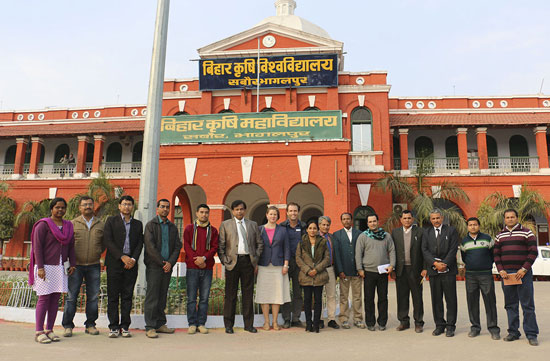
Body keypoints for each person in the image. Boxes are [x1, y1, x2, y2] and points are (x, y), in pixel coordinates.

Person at [29, 197, 76, 344]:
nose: (60, 210)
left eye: (63, 207)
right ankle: (39, 331)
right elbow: (37, 247)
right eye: (57, 207)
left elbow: (71, 246)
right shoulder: (43, 225)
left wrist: (72, 264)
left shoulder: (68, 226)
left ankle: (49, 330)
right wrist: (41, 267)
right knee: (44, 298)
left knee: (55, 299)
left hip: (60, 267)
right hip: (46, 266)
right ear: (52, 209)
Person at [494, 209, 539, 346]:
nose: (510, 219)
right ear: (504, 219)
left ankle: (531, 334)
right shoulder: (499, 236)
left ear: (517, 218)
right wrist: (501, 270)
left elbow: (533, 252)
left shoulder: (527, 232)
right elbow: (496, 255)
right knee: (510, 305)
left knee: (527, 305)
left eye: (512, 217)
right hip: (507, 275)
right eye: (507, 217)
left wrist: (524, 268)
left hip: (523, 274)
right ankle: (513, 332)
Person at [218, 200, 263, 334]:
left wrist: (255, 259)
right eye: (237, 209)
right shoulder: (225, 225)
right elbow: (221, 246)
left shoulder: (253, 224)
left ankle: (248, 325)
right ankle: (228, 325)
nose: (239, 212)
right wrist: (225, 261)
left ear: (245, 210)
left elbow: (259, 244)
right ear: (232, 211)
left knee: (248, 295)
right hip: (232, 263)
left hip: (247, 262)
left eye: (242, 209)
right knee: (230, 295)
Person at [62, 196, 104, 337]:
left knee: (93, 297)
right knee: (71, 297)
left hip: (94, 265)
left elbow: (103, 244)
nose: (88, 207)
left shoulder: (100, 224)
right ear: (80, 208)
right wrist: (68, 264)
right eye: (84, 204)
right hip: (76, 266)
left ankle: (90, 325)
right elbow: (66, 245)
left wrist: (97, 252)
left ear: (93, 206)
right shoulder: (72, 224)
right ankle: (68, 325)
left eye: (90, 204)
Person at [103, 195, 143, 338]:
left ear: (133, 207)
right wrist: (122, 257)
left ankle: (125, 326)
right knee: (113, 296)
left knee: (127, 296)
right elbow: (108, 241)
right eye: (124, 204)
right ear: (119, 206)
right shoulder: (111, 221)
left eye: (129, 204)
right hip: (115, 263)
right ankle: (113, 327)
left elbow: (139, 243)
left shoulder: (138, 224)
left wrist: (132, 259)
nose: (127, 207)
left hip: (130, 265)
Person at [143, 199, 182, 338]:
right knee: (152, 296)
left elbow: (178, 246)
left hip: (167, 267)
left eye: (167, 207)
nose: (165, 209)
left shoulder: (172, 227)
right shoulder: (151, 225)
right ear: (157, 208)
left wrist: (170, 263)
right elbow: (150, 247)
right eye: (162, 207)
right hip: (155, 266)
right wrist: (162, 262)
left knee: (162, 296)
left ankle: (160, 324)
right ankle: (150, 326)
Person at [460, 217, 500, 340]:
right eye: (470, 225)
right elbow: (464, 257)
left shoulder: (487, 238)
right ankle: (475, 327)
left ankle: (493, 329)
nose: (473, 227)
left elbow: (493, 255)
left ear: (479, 226)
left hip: (486, 274)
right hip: (471, 275)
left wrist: (485, 264)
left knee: (490, 301)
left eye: (475, 224)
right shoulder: (464, 241)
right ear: (467, 227)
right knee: (472, 302)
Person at [422, 209, 459, 337]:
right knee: (436, 299)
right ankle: (439, 325)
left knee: (450, 299)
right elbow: (424, 250)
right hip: (434, 271)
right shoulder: (426, 232)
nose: (436, 221)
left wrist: (445, 264)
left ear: (442, 218)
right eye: (433, 218)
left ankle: (450, 326)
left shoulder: (451, 230)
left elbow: (453, 249)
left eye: (438, 218)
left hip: (448, 270)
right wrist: (435, 264)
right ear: (430, 220)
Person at [356, 213, 395, 331]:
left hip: (383, 271)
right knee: (369, 298)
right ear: (367, 224)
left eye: (374, 221)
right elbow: (358, 253)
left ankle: (382, 322)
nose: (372, 223)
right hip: (368, 272)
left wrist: (392, 265)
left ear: (378, 222)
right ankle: (370, 322)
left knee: (383, 298)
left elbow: (392, 250)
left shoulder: (386, 236)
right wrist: (360, 269)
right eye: (370, 222)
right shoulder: (363, 236)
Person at [183, 204, 219, 335]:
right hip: (192, 268)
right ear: (197, 213)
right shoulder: (189, 229)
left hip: (207, 267)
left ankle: (201, 323)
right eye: (201, 212)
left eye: (206, 213)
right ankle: (192, 323)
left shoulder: (213, 231)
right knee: (191, 298)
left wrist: (204, 258)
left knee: (204, 298)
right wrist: (196, 260)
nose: (204, 215)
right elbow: (186, 246)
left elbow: (214, 247)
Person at [256, 206, 291, 331]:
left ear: (278, 217)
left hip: (278, 266)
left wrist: (286, 264)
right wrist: (255, 264)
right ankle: (266, 322)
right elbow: (256, 248)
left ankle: (275, 322)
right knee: (264, 294)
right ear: (266, 215)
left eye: (275, 214)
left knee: (277, 294)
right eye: (271, 214)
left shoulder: (282, 230)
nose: (273, 216)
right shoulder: (259, 229)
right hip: (263, 265)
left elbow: (287, 248)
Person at [391, 210, 426, 333]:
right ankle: (403, 321)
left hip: (415, 270)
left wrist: (425, 268)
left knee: (417, 297)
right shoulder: (395, 233)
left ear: (412, 219)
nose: (407, 220)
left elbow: (424, 251)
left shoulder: (420, 232)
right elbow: (392, 251)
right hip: (400, 270)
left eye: (409, 218)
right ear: (401, 220)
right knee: (402, 297)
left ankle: (418, 322)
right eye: (404, 218)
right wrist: (392, 268)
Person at [295, 219, 330, 333]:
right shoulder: (301, 242)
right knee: (307, 300)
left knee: (318, 301)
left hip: (319, 275)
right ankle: (308, 324)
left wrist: (317, 269)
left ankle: (316, 324)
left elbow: (327, 258)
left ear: (317, 229)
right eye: (310, 228)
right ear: (306, 230)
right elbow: (298, 258)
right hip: (306, 276)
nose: (312, 230)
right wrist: (308, 270)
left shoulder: (323, 242)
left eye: (314, 228)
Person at [333, 212, 364, 329]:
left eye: (348, 219)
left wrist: (360, 268)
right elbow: (336, 254)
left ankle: (358, 318)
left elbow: (362, 252)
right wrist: (340, 270)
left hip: (356, 270)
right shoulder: (337, 235)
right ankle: (344, 319)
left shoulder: (359, 234)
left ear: (351, 220)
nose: (346, 221)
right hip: (344, 271)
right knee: (344, 297)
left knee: (357, 296)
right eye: (344, 219)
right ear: (341, 221)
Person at [279, 202, 306, 328]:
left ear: (298, 212)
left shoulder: (304, 226)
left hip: (299, 263)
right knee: (285, 291)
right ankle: (286, 318)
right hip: (285, 262)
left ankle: (295, 318)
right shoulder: (282, 226)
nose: (293, 213)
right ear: (287, 212)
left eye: (295, 211)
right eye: (291, 211)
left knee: (297, 292)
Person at [318, 215, 338, 329]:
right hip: (319, 270)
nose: (325, 227)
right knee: (319, 295)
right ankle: (319, 319)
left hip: (330, 269)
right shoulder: (314, 237)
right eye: (323, 225)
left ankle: (331, 319)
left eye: (327, 225)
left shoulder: (332, 237)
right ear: (319, 225)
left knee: (331, 295)